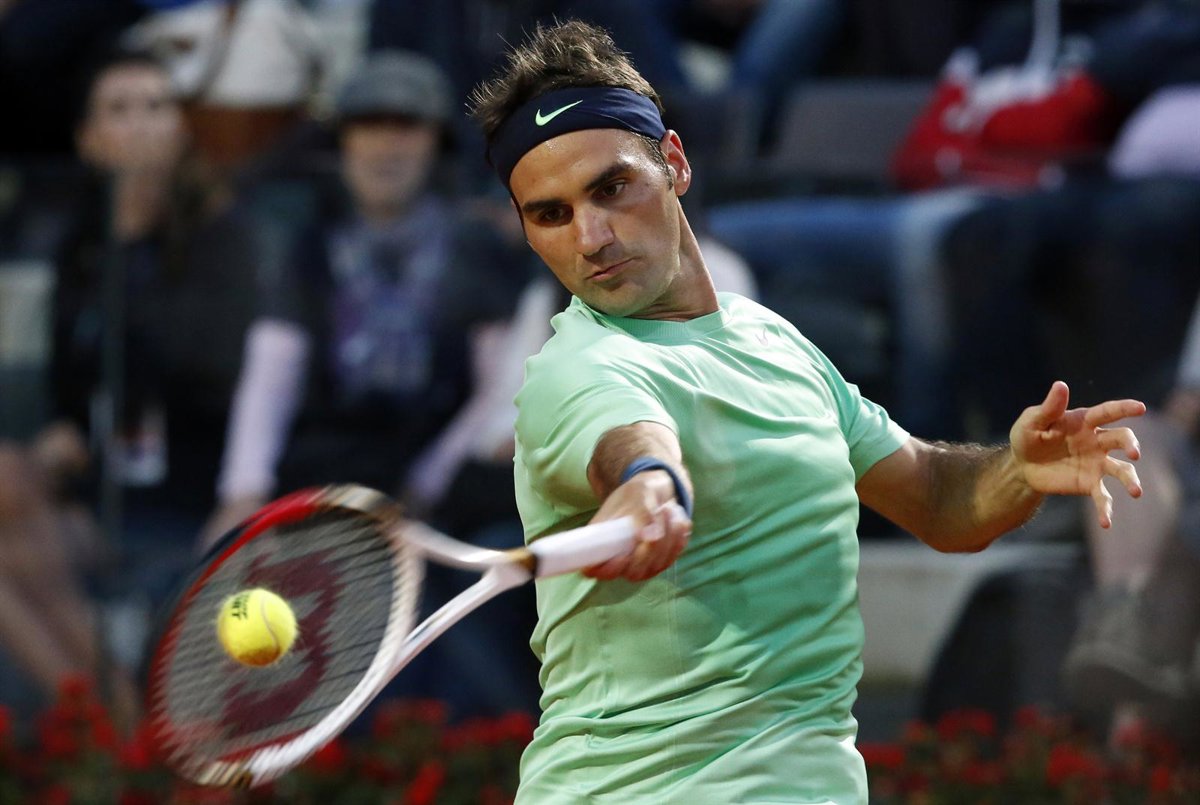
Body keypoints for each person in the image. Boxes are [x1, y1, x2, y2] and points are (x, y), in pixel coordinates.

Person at [466, 19, 1147, 802]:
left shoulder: (772, 340)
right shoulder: (575, 369)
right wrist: (649, 483)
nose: (590, 236)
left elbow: (937, 498)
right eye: (550, 214)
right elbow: (630, 438)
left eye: (611, 187)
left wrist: (1018, 469)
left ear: (674, 163)